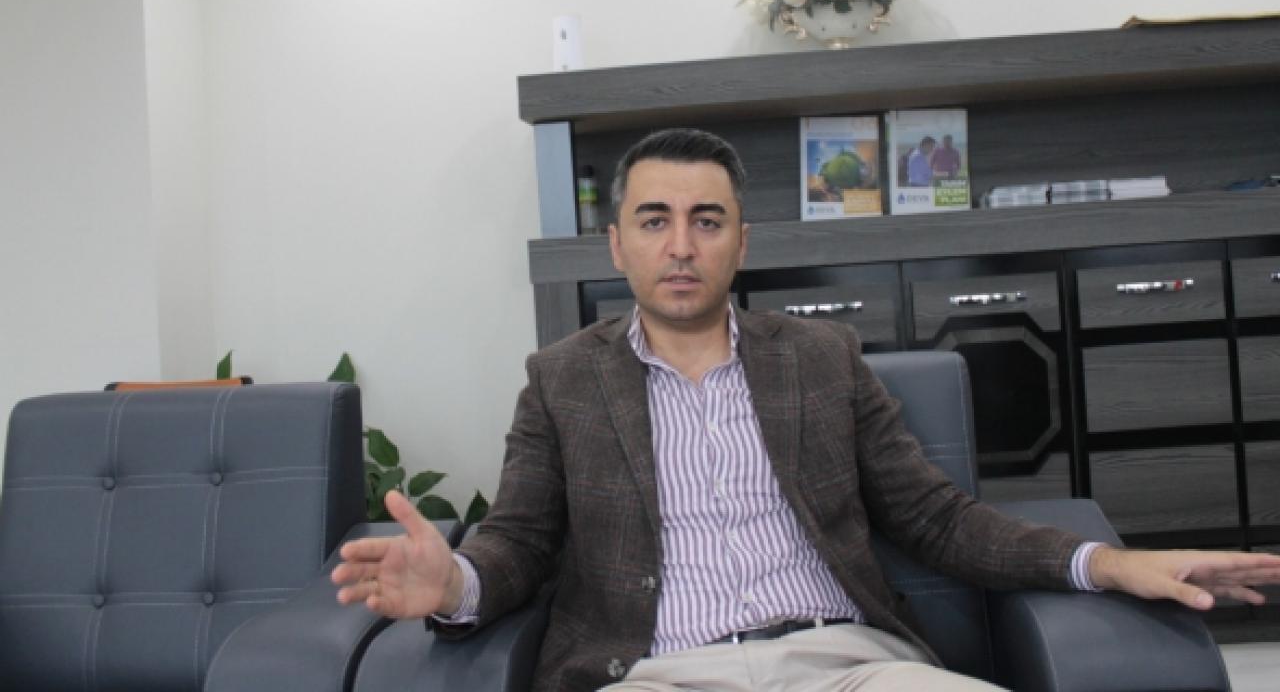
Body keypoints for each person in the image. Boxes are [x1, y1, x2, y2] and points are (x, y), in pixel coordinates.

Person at [333, 129, 1280, 691]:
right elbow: (520, 542)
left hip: (850, 665)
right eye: (655, 221)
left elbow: (938, 519)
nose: (681, 245)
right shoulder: (562, 381)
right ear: (617, 245)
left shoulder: (821, 359)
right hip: (657, 673)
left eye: (706, 221)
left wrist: (1108, 563)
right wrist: (455, 583)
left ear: (741, 243)